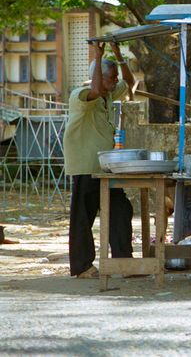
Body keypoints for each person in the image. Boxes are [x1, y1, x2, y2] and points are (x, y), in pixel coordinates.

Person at [64, 41, 135, 278]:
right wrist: (97, 55)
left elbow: (130, 83)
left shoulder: (108, 95)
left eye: (114, 78)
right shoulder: (81, 95)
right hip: (85, 165)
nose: (115, 81)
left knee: (121, 209)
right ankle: (82, 266)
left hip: (105, 167)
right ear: (99, 77)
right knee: (83, 216)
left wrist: (117, 55)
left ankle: (123, 262)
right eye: (111, 77)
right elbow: (94, 89)